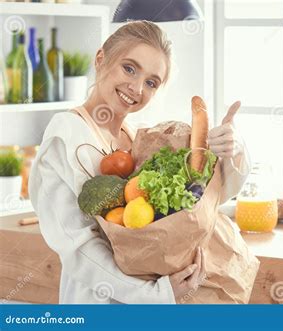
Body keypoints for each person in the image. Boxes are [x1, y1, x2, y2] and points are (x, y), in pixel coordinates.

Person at [28, 20, 250, 304]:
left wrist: (232, 147)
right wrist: (155, 295)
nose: (136, 88)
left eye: (151, 82)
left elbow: (211, 192)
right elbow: (78, 249)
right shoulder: (66, 134)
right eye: (129, 68)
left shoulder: (140, 138)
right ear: (101, 59)